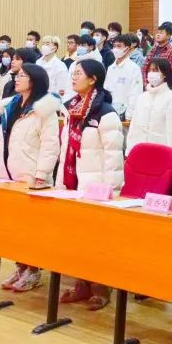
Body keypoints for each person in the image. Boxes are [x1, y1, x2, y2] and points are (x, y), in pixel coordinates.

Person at [57, 60, 124, 311]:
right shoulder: (71, 109)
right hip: (73, 182)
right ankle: (81, 283)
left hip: (97, 187)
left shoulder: (105, 112)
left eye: (79, 74)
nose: (73, 77)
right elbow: (65, 149)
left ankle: (101, 286)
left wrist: (111, 191)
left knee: (97, 241)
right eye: (72, 73)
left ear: (93, 79)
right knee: (76, 238)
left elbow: (114, 158)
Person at [0, 63, 64, 293]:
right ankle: (20, 266)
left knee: (31, 229)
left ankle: (33, 271)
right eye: (18, 75)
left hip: (33, 176)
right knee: (13, 228)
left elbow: (50, 145)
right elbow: (2, 141)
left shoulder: (45, 109)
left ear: (34, 81)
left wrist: (41, 175)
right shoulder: (10, 106)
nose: (17, 78)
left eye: (23, 75)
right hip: (9, 173)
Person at [125, 58, 172, 154]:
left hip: (161, 152)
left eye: (155, 70)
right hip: (140, 151)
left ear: (164, 74)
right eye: (150, 70)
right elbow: (134, 127)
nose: (151, 73)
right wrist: (129, 151)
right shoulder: (142, 97)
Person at [106, 35, 144, 121]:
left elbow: (136, 93)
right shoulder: (111, 68)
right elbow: (106, 89)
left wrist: (129, 115)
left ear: (127, 49)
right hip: (109, 112)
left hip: (125, 113)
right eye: (114, 46)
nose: (115, 49)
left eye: (119, 46)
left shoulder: (134, 68)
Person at [32, 36, 70, 101]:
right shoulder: (37, 62)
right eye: (43, 43)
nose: (44, 46)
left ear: (55, 48)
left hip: (51, 101)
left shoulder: (60, 65)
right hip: (36, 98)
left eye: (47, 44)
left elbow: (61, 88)